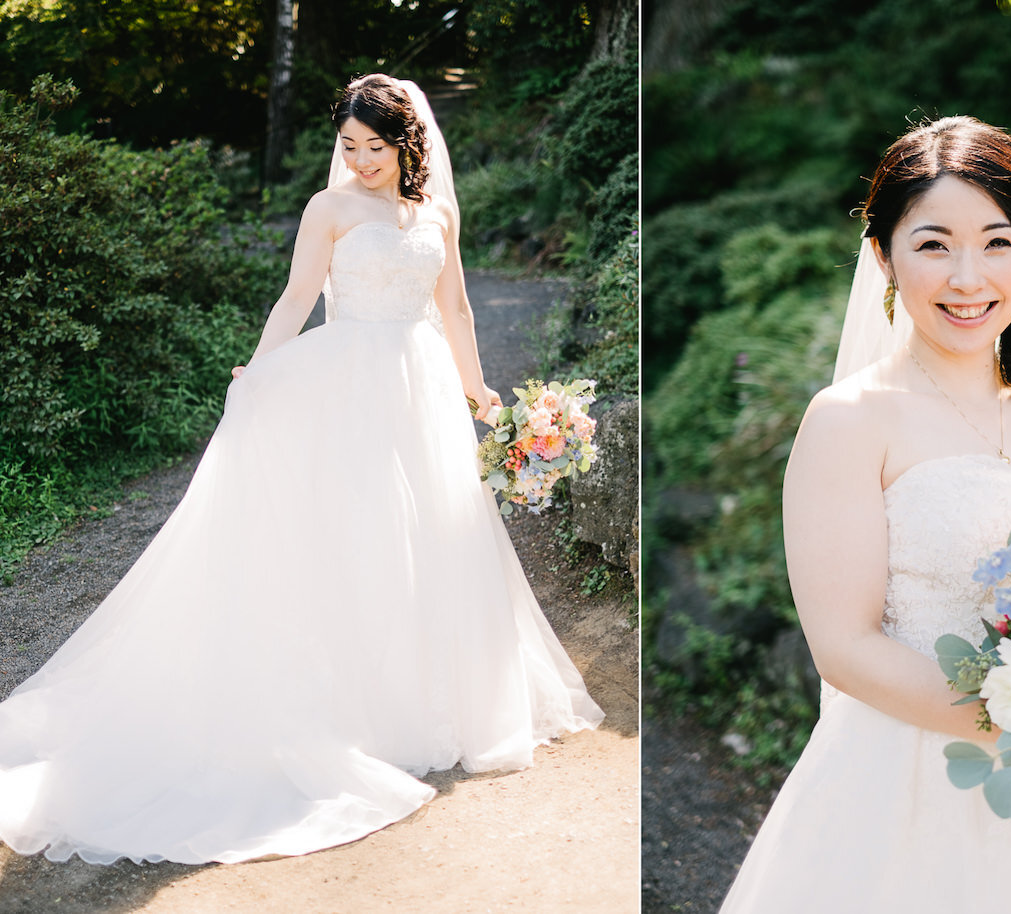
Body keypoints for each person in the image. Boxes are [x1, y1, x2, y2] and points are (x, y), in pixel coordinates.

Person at [0, 74, 603, 866]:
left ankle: (425, 703)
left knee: (433, 537)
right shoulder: (330, 210)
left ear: (408, 143)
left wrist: (479, 390)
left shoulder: (440, 213)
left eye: (374, 148)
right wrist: (256, 370)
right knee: (356, 535)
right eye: (349, 146)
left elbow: (453, 309)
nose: (358, 161)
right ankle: (350, 707)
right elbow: (295, 299)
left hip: (419, 385)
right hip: (347, 383)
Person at [719, 117, 1011, 912]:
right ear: (882, 256)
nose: (969, 278)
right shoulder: (849, 421)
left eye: (998, 242)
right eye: (934, 245)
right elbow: (846, 646)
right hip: (911, 782)